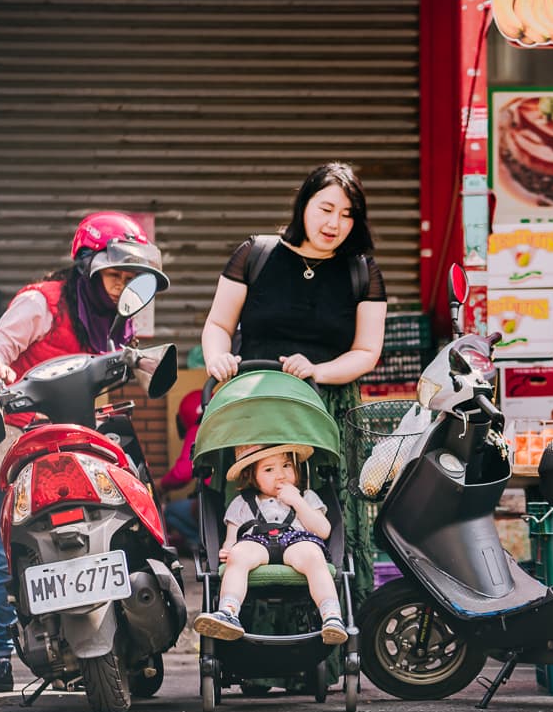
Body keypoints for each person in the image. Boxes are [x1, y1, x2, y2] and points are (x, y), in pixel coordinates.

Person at [0, 211, 169, 692]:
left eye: (131, 277)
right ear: (88, 267)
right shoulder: (44, 302)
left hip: (80, 437)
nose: (122, 285)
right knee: (12, 548)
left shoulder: (118, 321)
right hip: (21, 436)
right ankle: (0, 653)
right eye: (115, 274)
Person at [201, 162, 388, 607]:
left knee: (325, 511)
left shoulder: (362, 271)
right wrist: (217, 359)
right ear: (304, 204)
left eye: (347, 215)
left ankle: (333, 630)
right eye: (325, 209)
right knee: (251, 516)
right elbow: (217, 324)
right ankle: (242, 637)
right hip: (255, 404)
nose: (334, 224)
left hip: (327, 408)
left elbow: (366, 352)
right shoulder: (256, 254)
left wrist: (318, 370)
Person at [193, 443, 348, 644]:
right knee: (239, 555)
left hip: (297, 540)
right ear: (252, 475)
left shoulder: (306, 496)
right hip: (257, 542)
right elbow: (232, 537)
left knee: (313, 555)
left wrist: (297, 502)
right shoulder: (242, 503)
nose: (281, 475)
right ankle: (228, 611)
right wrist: (228, 549)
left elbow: (324, 530)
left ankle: (331, 616)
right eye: (269, 469)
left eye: (286, 465)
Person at [160, 389, 203, 552]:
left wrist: (161, 485)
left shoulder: (198, 431)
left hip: (211, 506)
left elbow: (182, 473)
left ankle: (199, 541)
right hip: (236, 503)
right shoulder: (230, 429)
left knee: (168, 511)